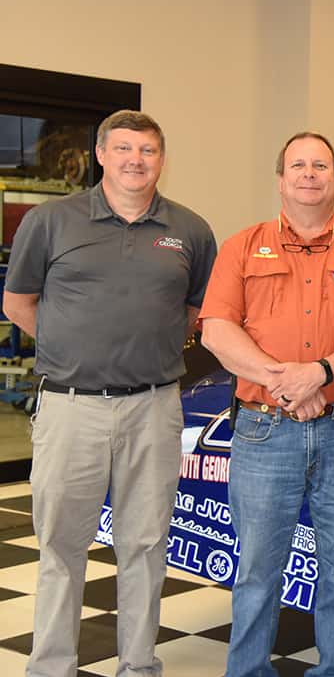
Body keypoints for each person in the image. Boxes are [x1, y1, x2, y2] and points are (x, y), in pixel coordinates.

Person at [5, 110, 217, 677]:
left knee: (146, 544)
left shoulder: (190, 230)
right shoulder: (51, 220)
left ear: (161, 159)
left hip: (153, 406)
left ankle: (138, 665)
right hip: (70, 407)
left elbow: (196, 310)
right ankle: (51, 667)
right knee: (60, 545)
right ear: (101, 154)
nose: (135, 161)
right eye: (123, 149)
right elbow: (18, 301)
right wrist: (73, 347)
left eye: (146, 151)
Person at [199, 132, 334, 677]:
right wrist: (286, 383)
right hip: (265, 431)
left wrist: (321, 374)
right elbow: (217, 329)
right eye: (298, 166)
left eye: (321, 166)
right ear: (281, 179)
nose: (310, 174)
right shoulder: (241, 247)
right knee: (259, 569)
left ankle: (332, 669)